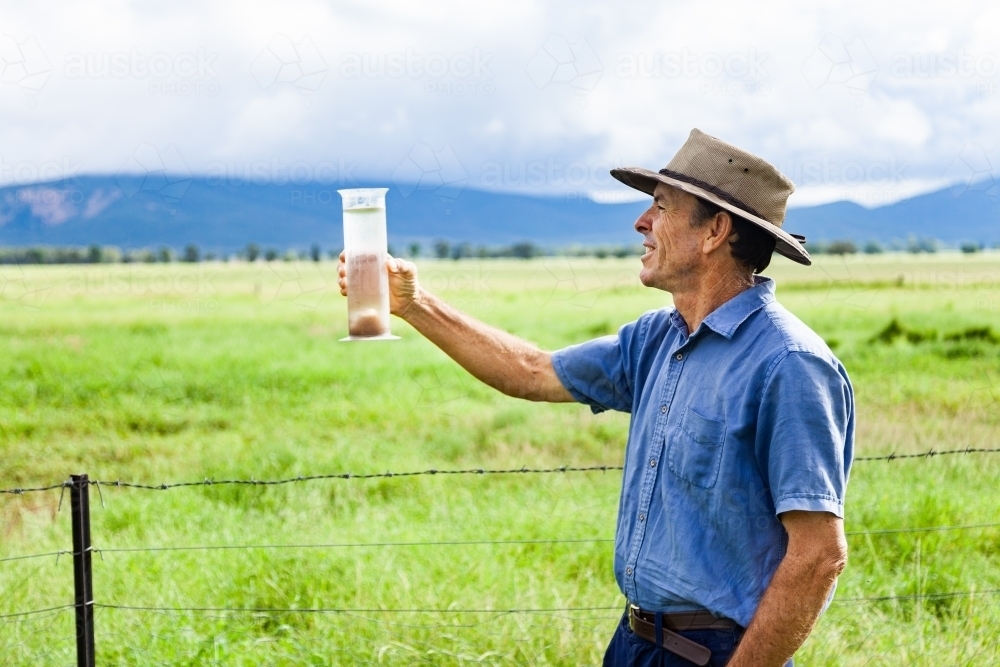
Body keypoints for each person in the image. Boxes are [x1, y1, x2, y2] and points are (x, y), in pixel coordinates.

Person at [338, 129, 854, 667]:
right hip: (633, 641)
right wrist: (414, 304)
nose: (641, 223)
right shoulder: (657, 338)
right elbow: (531, 371)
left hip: (721, 654)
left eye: (660, 207)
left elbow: (819, 555)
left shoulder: (789, 365)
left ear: (715, 232)